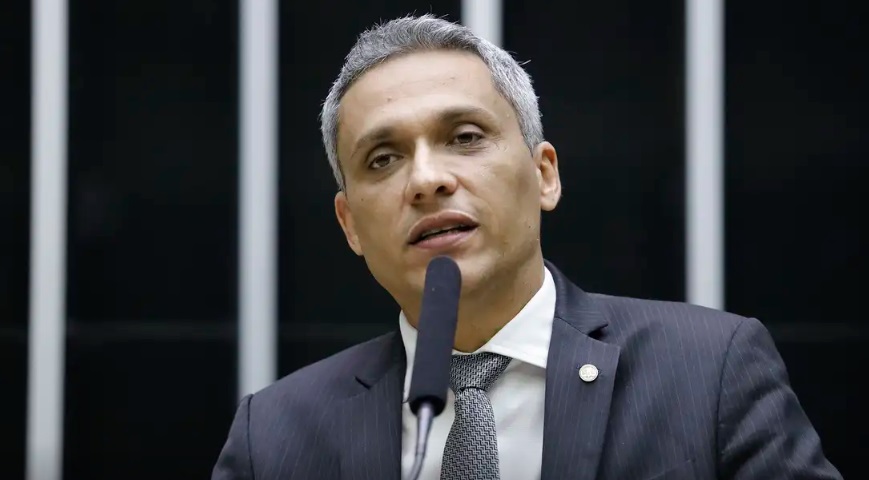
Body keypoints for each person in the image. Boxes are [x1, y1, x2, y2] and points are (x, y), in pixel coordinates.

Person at [212, 14, 841, 480]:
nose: (427, 180)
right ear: (349, 224)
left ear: (544, 174)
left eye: (463, 136)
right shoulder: (275, 437)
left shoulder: (711, 372)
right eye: (383, 158)